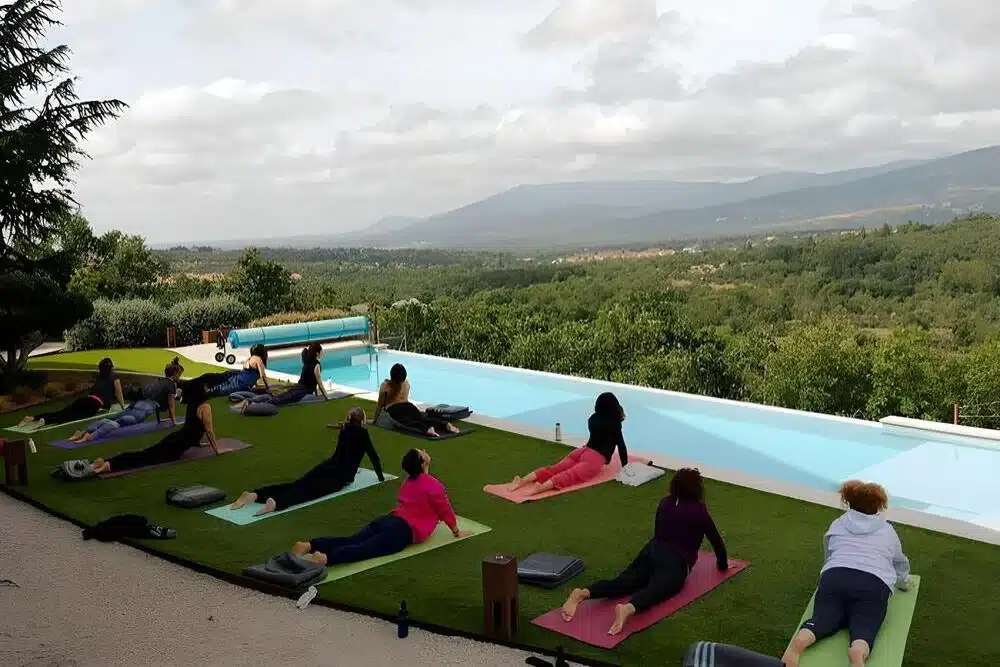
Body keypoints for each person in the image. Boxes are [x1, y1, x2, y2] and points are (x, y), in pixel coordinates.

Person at [559, 467, 729, 636]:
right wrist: (723, 566)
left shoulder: (665, 503)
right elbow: (717, 543)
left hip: (651, 552)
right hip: (676, 562)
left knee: (623, 582)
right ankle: (627, 609)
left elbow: (658, 532)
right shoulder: (699, 512)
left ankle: (583, 593)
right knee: (657, 590)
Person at [782, 480, 911, 667]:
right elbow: (899, 561)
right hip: (873, 582)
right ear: (879, 506)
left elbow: (829, 552)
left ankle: (802, 639)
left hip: (835, 577)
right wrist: (904, 583)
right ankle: (858, 650)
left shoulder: (838, 524)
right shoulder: (887, 530)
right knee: (866, 624)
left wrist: (829, 573)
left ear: (849, 501)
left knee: (824, 618)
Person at [291, 448, 471, 565]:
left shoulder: (408, 481)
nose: (425, 451)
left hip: (388, 520)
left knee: (352, 540)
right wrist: (456, 531)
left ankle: (308, 545)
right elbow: (444, 509)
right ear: (423, 463)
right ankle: (325, 558)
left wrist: (424, 467)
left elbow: (423, 488)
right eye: (422, 453)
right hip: (400, 532)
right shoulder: (433, 485)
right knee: (364, 550)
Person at [229, 407, 384, 516]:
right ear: (362, 421)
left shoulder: (344, 429)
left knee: (298, 484)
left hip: (327, 466)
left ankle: (255, 495)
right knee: (308, 492)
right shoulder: (363, 433)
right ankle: (277, 502)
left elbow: (343, 453)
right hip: (340, 477)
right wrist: (381, 478)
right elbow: (373, 457)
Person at [507, 392, 628, 497]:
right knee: (570, 475)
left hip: (581, 451)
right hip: (595, 457)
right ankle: (540, 488)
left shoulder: (592, 418)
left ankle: (522, 480)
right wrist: (625, 468)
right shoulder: (614, 422)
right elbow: (621, 446)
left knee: (554, 468)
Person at [88, 378, 220, 474]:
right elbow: (208, 430)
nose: (207, 389)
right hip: (176, 445)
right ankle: (109, 465)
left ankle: (107, 461)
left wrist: (200, 444)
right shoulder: (205, 407)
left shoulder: (192, 405)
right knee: (145, 458)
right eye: (205, 387)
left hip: (176, 439)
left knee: (145, 454)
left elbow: (192, 428)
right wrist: (217, 450)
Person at [67, 357, 185, 443]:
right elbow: (171, 406)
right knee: (119, 422)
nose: (179, 377)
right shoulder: (171, 385)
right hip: (146, 407)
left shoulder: (158, 380)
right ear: (175, 373)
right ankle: (90, 437)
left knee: (113, 417)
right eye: (179, 374)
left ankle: (82, 432)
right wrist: (174, 422)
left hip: (136, 403)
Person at [17, 358, 126, 428]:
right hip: (94, 404)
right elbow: (118, 393)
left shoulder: (100, 377)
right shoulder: (114, 378)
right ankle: (45, 420)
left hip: (85, 399)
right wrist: (123, 407)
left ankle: (32, 418)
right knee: (71, 416)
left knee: (63, 411)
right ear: (111, 368)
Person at [370, 363, 459, 437]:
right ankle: (446, 425)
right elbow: (405, 397)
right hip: (409, 406)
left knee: (407, 423)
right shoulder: (406, 383)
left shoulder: (385, 386)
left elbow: (379, 405)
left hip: (394, 409)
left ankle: (427, 430)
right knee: (423, 418)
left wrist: (374, 421)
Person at [232, 343, 328, 410]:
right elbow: (319, 382)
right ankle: (252, 403)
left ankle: (250, 401)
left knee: (281, 396)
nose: (323, 352)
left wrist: (316, 392)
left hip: (298, 386)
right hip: (303, 390)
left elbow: (312, 380)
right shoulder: (316, 365)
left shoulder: (307, 362)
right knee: (282, 400)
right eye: (322, 351)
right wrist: (326, 397)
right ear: (317, 353)